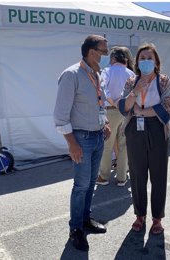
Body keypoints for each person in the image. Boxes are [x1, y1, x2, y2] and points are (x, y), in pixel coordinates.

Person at [54, 35, 111, 251]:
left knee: (89, 184)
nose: (106, 55)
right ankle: (76, 229)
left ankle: (85, 220)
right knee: (80, 186)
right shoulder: (71, 75)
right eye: (104, 51)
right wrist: (72, 143)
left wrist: (104, 122)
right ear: (91, 51)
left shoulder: (97, 75)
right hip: (81, 139)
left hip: (97, 136)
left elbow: (99, 104)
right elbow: (60, 115)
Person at [119, 43, 170, 234]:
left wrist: (143, 111)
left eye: (149, 58)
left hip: (157, 129)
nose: (146, 61)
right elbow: (124, 107)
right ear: (137, 62)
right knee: (137, 174)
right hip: (135, 130)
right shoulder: (131, 81)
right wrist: (135, 92)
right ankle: (139, 215)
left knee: (158, 175)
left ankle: (157, 218)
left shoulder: (163, 80)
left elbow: (167, 106)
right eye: (142, 58)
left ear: (156, 61)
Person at [96, 46, 135, 186]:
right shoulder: (130, 73)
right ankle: (122, 177)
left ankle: (104, 176)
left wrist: (114, 102)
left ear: (112, 58)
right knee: (124, 144)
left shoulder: (106, 71)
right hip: (127, 111)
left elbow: (103, 90)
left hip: (110, 110)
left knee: (107, 144)